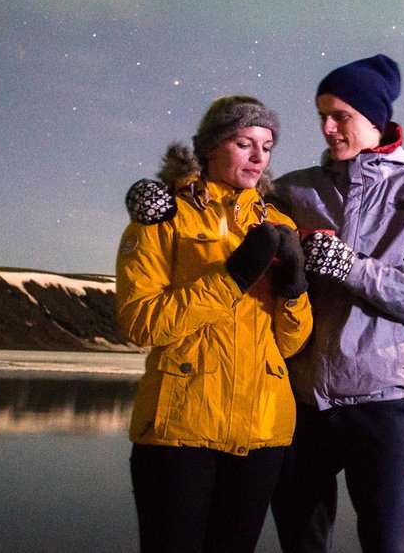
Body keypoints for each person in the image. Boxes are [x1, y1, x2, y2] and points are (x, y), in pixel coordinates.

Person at [269, 54, 404, 553]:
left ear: (374, 119)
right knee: (301, 543)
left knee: (385, 544)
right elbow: (226, 203)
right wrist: (167, 193)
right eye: (321, 116)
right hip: (299, 401)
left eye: (341, 115)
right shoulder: (294, 189)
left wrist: (350, 267)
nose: (327, 128)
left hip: (383, 404)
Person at [117, 95, 313, 553]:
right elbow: (140, 322)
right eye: (244, 142)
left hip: (262, 431)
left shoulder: (280, 222)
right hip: (180, 428)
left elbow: (290, 343)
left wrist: (295, 289)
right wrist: (233, 278)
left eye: (267, 145)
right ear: (209, 147)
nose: (259, 156)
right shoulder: (164, 215)